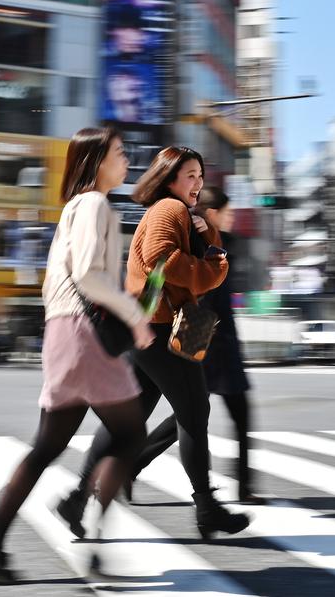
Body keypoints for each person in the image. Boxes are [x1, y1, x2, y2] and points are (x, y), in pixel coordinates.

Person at [0, 127, 154, 582]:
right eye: (120, 153)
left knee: (47, 445)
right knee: (130, 437)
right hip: (88, 335)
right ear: (96, 161)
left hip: (62, 332)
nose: (127, 160)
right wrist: (136, 316)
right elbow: (90, 275)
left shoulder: (75, 207)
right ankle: (92, 544)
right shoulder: (93, 205)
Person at [57, 147, 251, 541]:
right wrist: (212, 267)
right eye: (190, 176)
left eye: (200, 175)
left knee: (129, 420)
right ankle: (207, 508)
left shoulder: (178, 212)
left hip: (145, 329)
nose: (197, 183)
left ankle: (77, 496)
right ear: (169, 178)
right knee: (195, 411)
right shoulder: (169, 209)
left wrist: (207, 237)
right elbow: (161, 257)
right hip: (160, 330)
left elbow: (197, 253)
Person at [122, 186, 265, 504]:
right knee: (191, 415)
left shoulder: (218, 241)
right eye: (227, 213)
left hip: (215, 341)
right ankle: (133, 467)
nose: (230, 218)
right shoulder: (201, 240)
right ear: (212, 213)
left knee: (188, 414)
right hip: (206, 341)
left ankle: (131, 465)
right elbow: (194, 290)